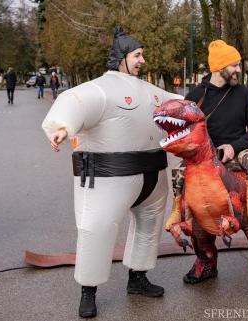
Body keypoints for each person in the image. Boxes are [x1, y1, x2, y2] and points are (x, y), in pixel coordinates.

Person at [41, 27, 182, 318]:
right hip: (108, 177)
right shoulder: (99, 89)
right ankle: (88, 292)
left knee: (149, 227)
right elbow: (74, 101)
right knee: (97, 230)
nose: (143, 60)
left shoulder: (151, 91)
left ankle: (138, 278)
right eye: (137, 55)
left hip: (153, 176)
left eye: (143, 55)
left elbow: (182, 104)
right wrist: (62, 128)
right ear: (121, 58)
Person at [166, 40, 248, 308]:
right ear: (219, 67)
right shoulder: (195, 95)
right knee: (190, 207)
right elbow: (183, 131)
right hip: (200, 164)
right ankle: (205, 261)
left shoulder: (243, 94)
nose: (239, 69)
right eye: (235, 64)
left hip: (234, 160)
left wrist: (234, 147)